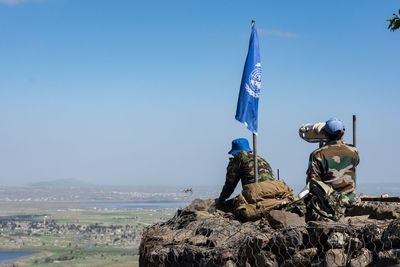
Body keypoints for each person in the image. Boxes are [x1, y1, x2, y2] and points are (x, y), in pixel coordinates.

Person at [305, 118, 360, 221]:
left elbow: (312, 181)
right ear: (343, 133)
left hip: (329, 203)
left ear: (325, 134)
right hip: (350, 200)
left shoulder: (318, 154)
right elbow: (356, 162)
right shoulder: (353, 151)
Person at [218, 138, 275, 204]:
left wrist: (221, 200)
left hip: (255, 194)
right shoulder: (260, 159)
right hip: (273, 192)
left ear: (235, 152)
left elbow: (230, 184)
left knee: (228, 205)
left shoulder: (238, 159)